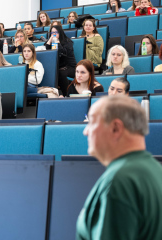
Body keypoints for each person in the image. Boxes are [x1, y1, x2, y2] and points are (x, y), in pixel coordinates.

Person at [76, 95, 162, 240]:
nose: (86, 131)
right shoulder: (155, 170)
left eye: (91, 122)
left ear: (115, 128)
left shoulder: (119, 181)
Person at [45, 25, 77, 96]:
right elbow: (46, 53)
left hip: (70, 67)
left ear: (60, 32)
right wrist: (49, 41)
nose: (54, 34)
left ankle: (66, 95)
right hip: (58, 67)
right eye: (52, 33)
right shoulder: (52, 42)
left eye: (56, 32)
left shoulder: (68, 42)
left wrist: (57, 42)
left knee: (61, 74)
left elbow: (63, 53)